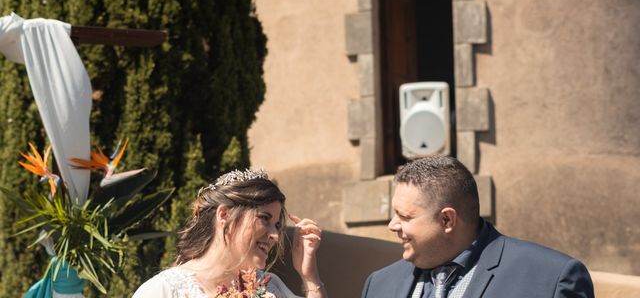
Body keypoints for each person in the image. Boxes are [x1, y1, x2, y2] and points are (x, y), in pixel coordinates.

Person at [361, 156, 594, 298]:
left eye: (404, 216)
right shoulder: (379, 285)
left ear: (447, 220)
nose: (392, 225)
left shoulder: (551, 279)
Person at [133, 169, 327, 298]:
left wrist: (309, 276)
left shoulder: (269, 287)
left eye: (276, 225)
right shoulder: (163, 290)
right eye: (264, 218)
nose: (274, 235)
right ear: (224, 214)